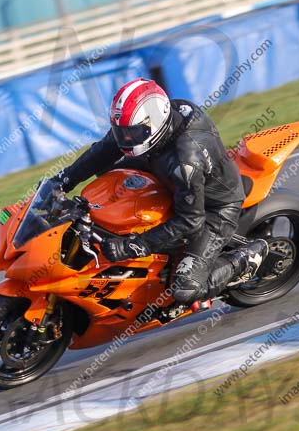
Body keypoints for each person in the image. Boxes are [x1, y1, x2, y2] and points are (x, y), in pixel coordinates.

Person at [55, 78, 268, 308]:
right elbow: (103, 151)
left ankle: (244, 259)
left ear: (153, 124)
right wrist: (62, 181)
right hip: (164, 170)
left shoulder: (187, 161)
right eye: (121, 131)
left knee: (185, 289)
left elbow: (191, 221)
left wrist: (131, 246)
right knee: (105, 170)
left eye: (132, 133)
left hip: (213, 207)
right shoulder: (157, 123)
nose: (125, 138)